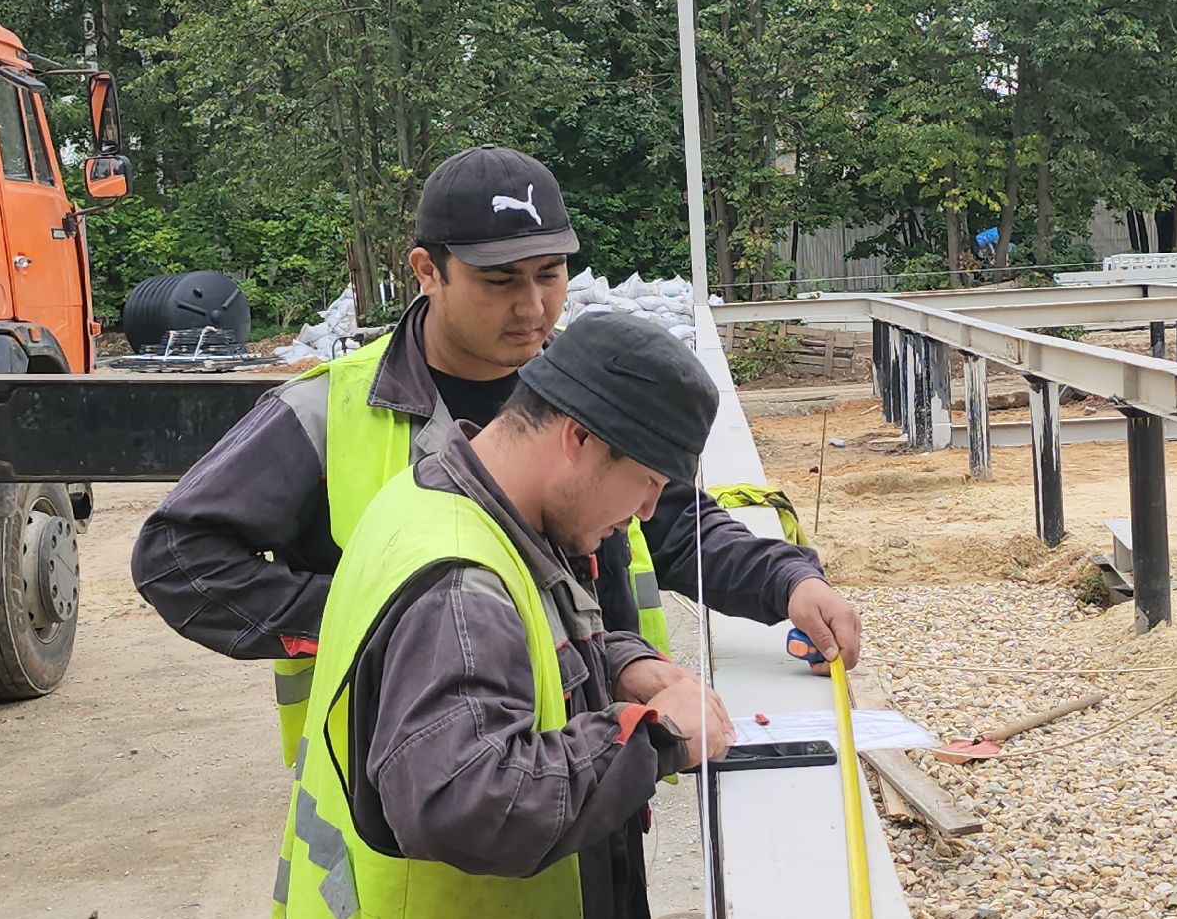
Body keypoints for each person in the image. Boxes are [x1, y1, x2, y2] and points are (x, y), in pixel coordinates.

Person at [131, 144, 858, 774]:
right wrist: (372, 621)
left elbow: (669, 520)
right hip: (417, 781)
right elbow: (177, 559)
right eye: (500, 280)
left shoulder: (580, 389)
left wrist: (785, 580)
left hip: (592, 763)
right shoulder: (330, 413)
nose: (533, 307)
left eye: (549, 273)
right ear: (427, 270)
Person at [273, 311, 733, 919]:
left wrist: (624, 664)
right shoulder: (461, 583)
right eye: (646, 480)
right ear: (577, 438)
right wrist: (653, 736)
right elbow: (472, 801)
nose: (647, 511)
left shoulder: (441, 496)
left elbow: (529, 645)